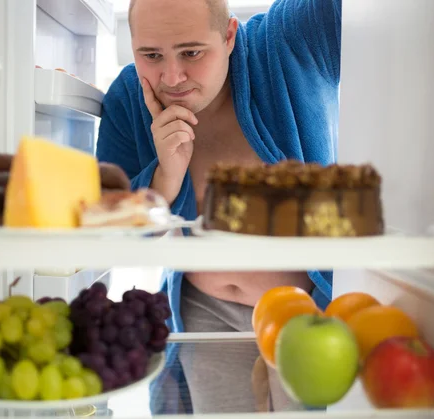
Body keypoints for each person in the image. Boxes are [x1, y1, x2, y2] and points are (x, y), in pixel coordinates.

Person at [96, 0, 341, 413]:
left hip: (308, 313)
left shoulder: (287, 41)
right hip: (204, 314)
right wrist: (165, 178)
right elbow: (109, 226)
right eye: (151, 55)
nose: (172, 78)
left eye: (192, 52)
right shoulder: (127, 97)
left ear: (229, 35)